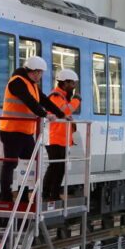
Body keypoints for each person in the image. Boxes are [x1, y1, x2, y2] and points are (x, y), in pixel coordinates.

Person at [0, 56, 68, 202]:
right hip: (11, 131)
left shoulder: (32, 84)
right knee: (10, 163)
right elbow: (28, 100)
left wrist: (61, 114)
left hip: (25, 132)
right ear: (34, 72)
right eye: (39, 73)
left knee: (28, 165)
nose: (40, 76)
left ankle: (23, 195)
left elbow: (43, 100)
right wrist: (44, 114)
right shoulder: (17, 82)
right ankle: (5, 197)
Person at [44, 69, 81, 202]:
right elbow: (64, 111)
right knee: (56, 167)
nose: (74, 87)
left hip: (60, 138)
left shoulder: (62, 97)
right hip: (54, 138)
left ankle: (51, 193)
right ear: (65, 83)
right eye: (72, 84)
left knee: (58, 167)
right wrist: (76, 100)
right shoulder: (56, 96)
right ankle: (48, 194)